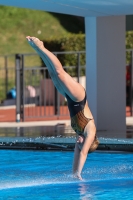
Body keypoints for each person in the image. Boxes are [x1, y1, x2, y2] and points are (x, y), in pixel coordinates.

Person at [26, 36, 99, 180]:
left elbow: (77, 153)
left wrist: (74, 174)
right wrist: (79, 173)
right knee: (60, 73)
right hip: (78, 98)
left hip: (69, 98)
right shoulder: (90, 132)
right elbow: (83, 153)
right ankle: (41, 46)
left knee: (53, 74)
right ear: (87, 142)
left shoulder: (80, 135)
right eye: (81, 144)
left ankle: (37, 50)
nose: (77, 143)